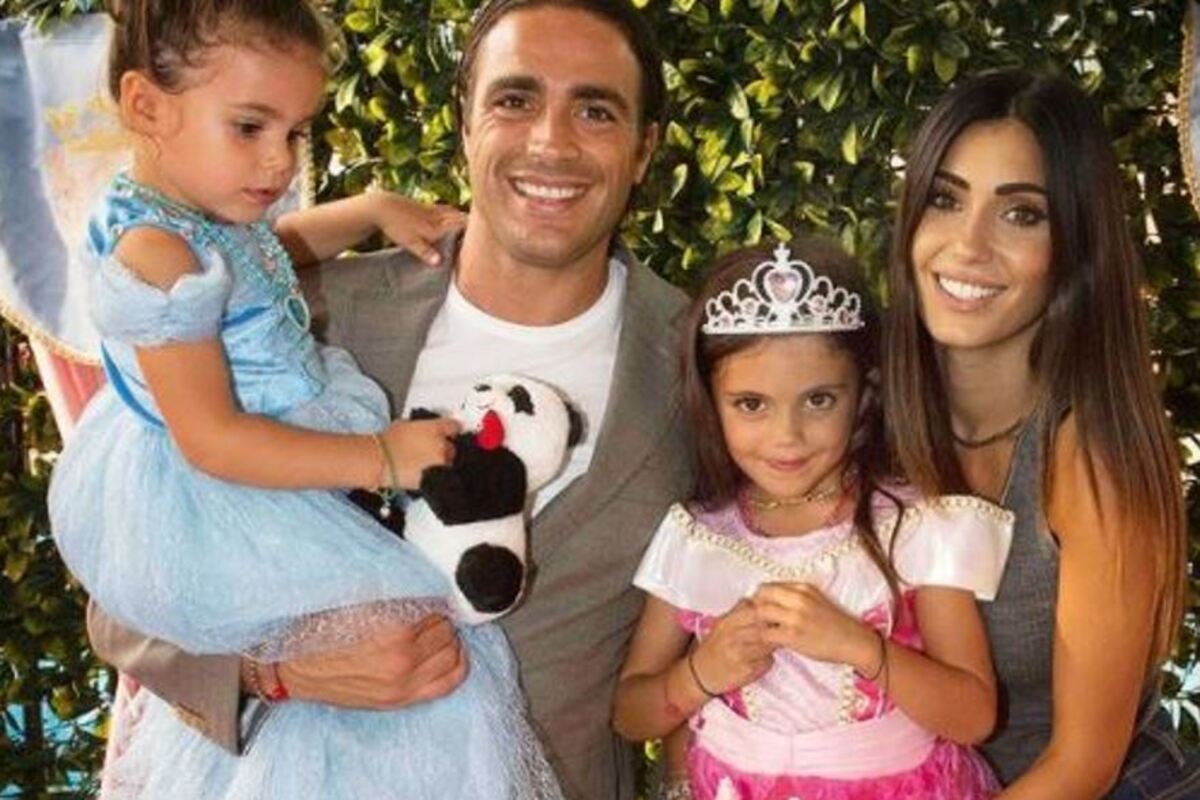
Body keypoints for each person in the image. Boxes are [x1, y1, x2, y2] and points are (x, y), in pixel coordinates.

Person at [85, 0, 694, 797]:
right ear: (465, 123)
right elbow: (127, 591)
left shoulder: (704, 371)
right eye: (515, 100)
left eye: (595, 110)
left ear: (644, 149)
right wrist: (278, 671)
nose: (551, 141)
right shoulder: (298, 320)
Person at [884, 68, 1200, 797]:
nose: (968, 246)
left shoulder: (1089, 454)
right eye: (945, 199)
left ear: (1075, 247)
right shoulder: (856, 408)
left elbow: (1082, 765)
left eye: (1021, 214)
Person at [613, 237, 1014, 799]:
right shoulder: (699, 538)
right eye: (751, 404)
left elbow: (973, 716)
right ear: (711, 402)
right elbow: (631, 714)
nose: (787, 436)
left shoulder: (918, 526)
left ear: (864, 396)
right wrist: (700, 672)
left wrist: (861, 648)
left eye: (819, 400)